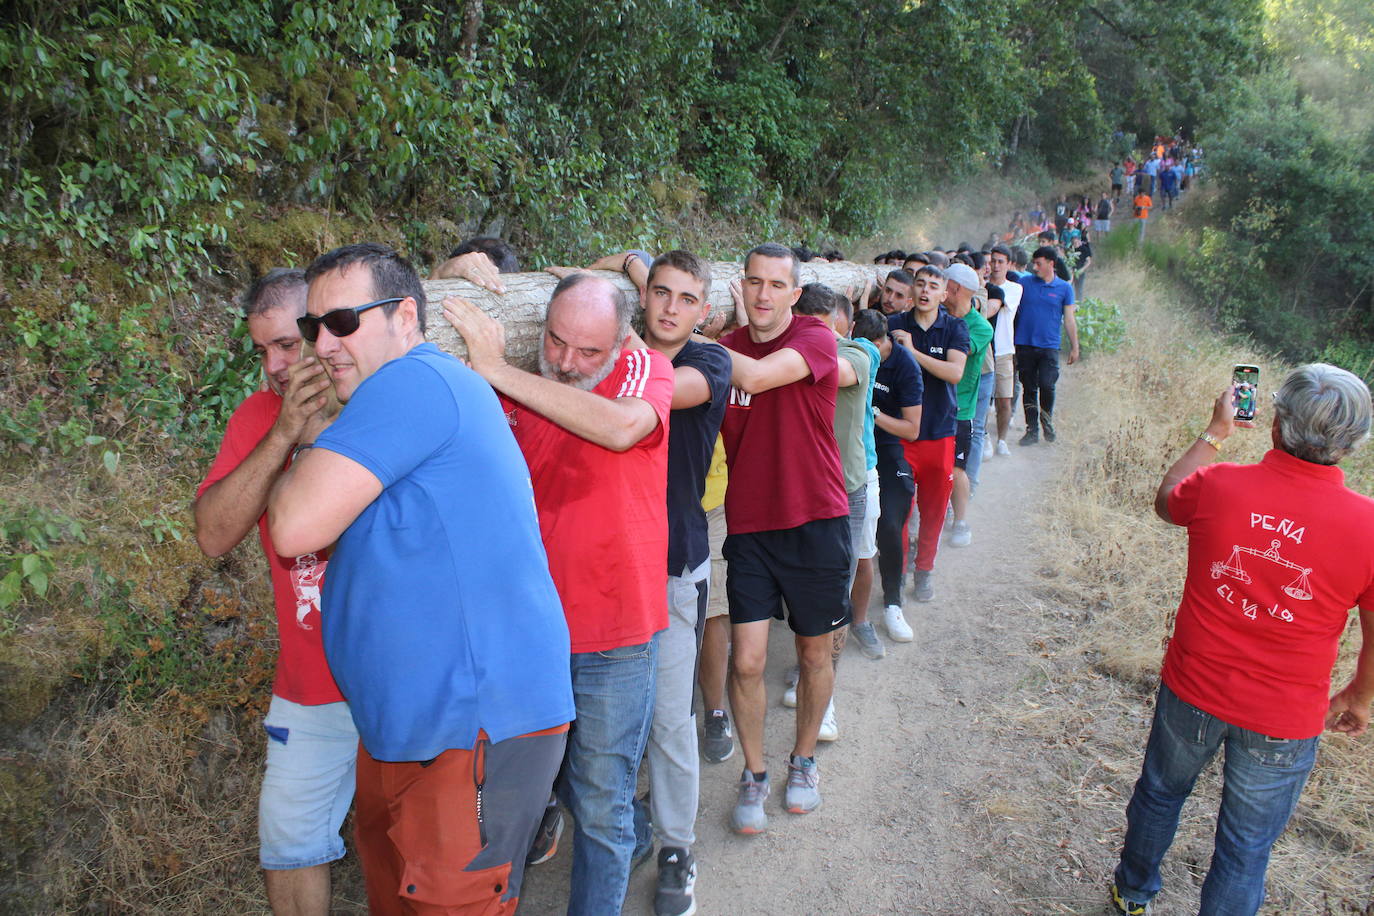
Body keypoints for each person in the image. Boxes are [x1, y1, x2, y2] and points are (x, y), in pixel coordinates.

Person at [267, 243, 574, 915]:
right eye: (313, 327)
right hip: (409, 730)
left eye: (344, 321)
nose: (324, 343)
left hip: (472, 730)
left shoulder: (414, 382)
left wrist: (314, 426)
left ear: (407, 316)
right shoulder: (403, 395)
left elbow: (292, 524)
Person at [443, 271, 674, 916]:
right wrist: (459, 270)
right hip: (527, 632)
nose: (568, 362)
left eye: (588, 351)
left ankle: (621, 851)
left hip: (614, 636)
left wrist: (498, 368)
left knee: (601, 808)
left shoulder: (644, 369)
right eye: (555, 340)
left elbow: (623, 428)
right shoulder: (524, 383)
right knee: (539, 792)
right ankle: (630, 834)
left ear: (623, 338)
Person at [1110, 365, 1374, 916]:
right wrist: (1358, 695)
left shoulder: (1219, 484)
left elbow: (1166, 500)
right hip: (1285, 717)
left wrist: (1216, 432)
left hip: (1193, 690)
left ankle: (1132, 894)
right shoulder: (1367, 526)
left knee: (1160, 794)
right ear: (1352, 443)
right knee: (1246, 848)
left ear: (1276, 424)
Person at [194, 269, 355, 916]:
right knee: (289, 846)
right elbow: (213, 534)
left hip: (399, 678)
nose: (275, 366)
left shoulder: (384, 401)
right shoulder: (260, 418)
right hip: (308, 686)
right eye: (262, 351)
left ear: (324, 330)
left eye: (287, 345)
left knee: (416, 853)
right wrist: (285, 434)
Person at [605, 248, 731, 916]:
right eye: (660, 293)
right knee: (607, 717)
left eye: (687, 299)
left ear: (705, 310)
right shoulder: (620, 341)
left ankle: (678, 844)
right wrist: (624, 266)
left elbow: (659, 389)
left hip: (674, 566)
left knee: (669, 722)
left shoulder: (708, 362)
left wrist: (625, 306)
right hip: (605, 565)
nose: (671, 308)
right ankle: (623, 828)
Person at [717, 243, 851, 833]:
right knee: (746, 662)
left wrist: (695, 339)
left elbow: (757, 376)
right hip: (749, 524)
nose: (764, 295)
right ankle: (754, 772)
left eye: (777, 284)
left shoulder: (814, 338)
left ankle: (802, 762)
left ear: (794, 293)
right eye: (754, 282)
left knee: (812, 652)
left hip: (816, 520)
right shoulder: (723, 349)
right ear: (740, 287)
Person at [786, 284, 874, 739]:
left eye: (825, 327)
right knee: (801, 594)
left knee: (834, 599)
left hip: (844, 493)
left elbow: (829, 371)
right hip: (798, 493)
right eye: (807, 326)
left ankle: (827, 698)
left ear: (841, 324)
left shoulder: (857, 354)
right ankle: (807, 669)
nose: (818, 336)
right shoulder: (784, 352)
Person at [887, 264, 969, 606]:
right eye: (919, 284)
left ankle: (924, 571)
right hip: (900, 433)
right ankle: (899, 572)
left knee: (934, 510)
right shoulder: (894, 326)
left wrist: (912, 353)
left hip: (939, 432)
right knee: (898, 512)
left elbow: (954, 373)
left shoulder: (953, 328)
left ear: (944, 294)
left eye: (933, 286)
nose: (924, 291)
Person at [942, 263, 993, 549]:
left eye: (943, 284)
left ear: (954, 289)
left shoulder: (980, 327)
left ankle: (961, 521)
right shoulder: (938, 316)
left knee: (957, 468)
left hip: (960, 408)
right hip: (930, 403)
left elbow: (959, 350)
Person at [848, 308, 888, 659]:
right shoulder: (852, 346)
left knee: (862, 555)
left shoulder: (864, 352)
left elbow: (866, 342)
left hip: (862, 473)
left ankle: (859, 622)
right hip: (834, 475)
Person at [1011, 246, 1078, 444]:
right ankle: (1032, 430)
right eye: (1034, 263)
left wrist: (1075, 347)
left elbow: (1069, 319)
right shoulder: (1024, 284)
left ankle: (1046, 421)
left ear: (1051, 263)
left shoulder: (1064, 288)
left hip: (1049, 345)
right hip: (1025, 344)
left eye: (1039, 264)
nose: (1035, 267)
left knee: (1048, 385)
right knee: (1029, 388)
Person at [987, 245, 1023, 455]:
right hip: (984, 350)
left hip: (1003, 350)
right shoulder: (982, 286)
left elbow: (998, 305)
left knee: (1004, 399)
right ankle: (983, 438)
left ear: (1009, 264)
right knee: (983, 399)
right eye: (993, 261)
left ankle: (1002, 440)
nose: (996, 265)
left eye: (1001, 261)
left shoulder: (1014, 288)